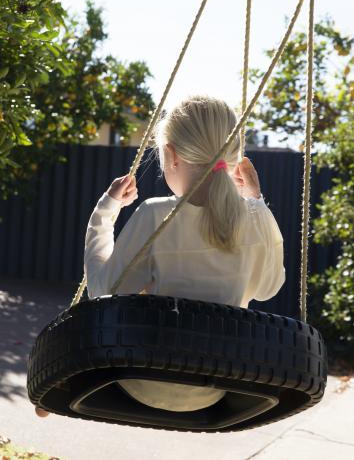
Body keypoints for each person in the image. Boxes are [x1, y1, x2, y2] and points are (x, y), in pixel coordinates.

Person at [35, 95, 285, 417]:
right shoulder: (254, 218)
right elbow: (269, 288)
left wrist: (105, 212)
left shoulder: (157, 216)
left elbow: (102, 291)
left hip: (145, 379)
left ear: (171, 155)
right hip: (215, 389)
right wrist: (256, 200)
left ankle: (51, 395)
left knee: (88, 324)